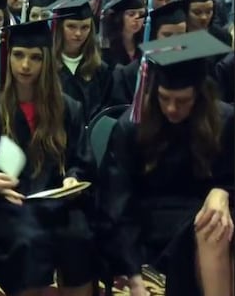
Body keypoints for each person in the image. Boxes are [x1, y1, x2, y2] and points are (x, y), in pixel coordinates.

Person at [0, 21, 95, 296]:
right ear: (8, 56)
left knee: (79, 237)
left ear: (47, 61)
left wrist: (74, 178)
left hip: (57, 202)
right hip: (8, 204)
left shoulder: (68, 107)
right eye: (18, 55)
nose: (26, 65)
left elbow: (81, 160)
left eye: (35, 57)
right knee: (27, 240)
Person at [99, 31, 233, 296]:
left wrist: (223, 191)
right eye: (164, 98)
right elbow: (117, 206)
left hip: (209, 216)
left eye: (182, 101)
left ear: (200, 96)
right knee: (212, 231)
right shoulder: (132, 127)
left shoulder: (225, 121)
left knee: (216, 226)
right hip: (154, 226)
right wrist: (133, 274)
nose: (172, 108)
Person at [109, 0, 189, 106]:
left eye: (180, 35)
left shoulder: (193, 70)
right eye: (167, 35)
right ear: (154, 36)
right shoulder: (128, 74)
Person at [50, 0, 112, 120]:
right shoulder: (47, 66)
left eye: (85, 27)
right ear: (60, 27)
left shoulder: (100, 69)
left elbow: (106, 111)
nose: (78, 33)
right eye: (71, 26)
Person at [102, 0, 145, 68]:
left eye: (141, 14)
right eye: (131, 14)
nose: (137, 19)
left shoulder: (146, 41)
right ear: (119, 17)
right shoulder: (106, 46)